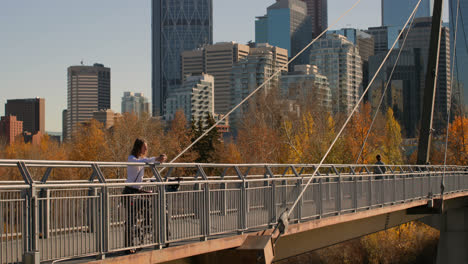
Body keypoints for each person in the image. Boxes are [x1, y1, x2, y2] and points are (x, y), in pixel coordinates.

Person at [123, 138, 167, 252]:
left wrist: (160, 159)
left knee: (146, 204)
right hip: (129, 192)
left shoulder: (141, 159)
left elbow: (148, 161)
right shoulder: (131, 159)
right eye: (144, 147)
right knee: (131, 219)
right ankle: (129, 246)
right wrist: (155, 158)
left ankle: (145, 226)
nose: (146, 149)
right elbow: (143, 161)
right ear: (138, 147)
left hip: (136, 192)